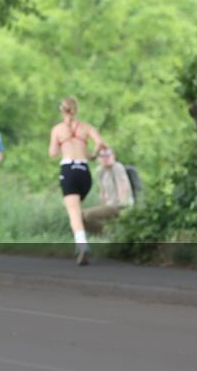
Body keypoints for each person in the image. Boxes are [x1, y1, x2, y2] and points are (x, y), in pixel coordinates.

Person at [48, 96, 108, 265]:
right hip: (84, 172)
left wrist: (64, 146)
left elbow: (52, 153)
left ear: (62, 110)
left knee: (73, 212)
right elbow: (100, 143)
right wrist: (92, 155)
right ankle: (93, 235)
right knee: (77, 210)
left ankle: (82, 246)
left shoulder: (57, 129)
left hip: (68, 170)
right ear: (76, 110)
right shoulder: (86, 127)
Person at [82, 147, 135, 234]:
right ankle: (107, 233)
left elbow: (123, 188)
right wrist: (102, 207)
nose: (105, 158)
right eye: (102, 156)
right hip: (109, 205)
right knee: (80, 216)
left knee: (88, 215)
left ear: (113, 156)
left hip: (119, 205)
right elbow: (102, 192)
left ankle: (110, 233)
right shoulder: (101, 171)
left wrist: (123, 209)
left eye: (108, 155)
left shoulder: (117, 167)